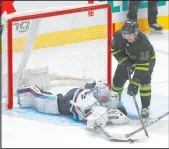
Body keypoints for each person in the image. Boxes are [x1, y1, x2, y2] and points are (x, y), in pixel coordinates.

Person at [16, 81, 129, 129]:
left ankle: (59, 96)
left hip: (79, 91)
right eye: (102, 96)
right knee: (51, 106)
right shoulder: (90, 101)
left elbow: (119, 105)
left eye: (106, 95)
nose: (105, 97)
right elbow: (87, 119)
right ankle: (35, 91)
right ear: (97, 95)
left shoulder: (113, 95)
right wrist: (101, 119)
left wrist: (122, 110)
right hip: (71, 100)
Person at [111, 20, 156, 119]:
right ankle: (114, 103)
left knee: (144, 82)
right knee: (118, 80)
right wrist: (125, 62)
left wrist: (135, 84)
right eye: (127, 35)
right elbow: (115, 50)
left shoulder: (143, 43)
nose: (129, 38)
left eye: (132, 35)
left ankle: (145, 107)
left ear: (137, 33)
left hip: (146, 61)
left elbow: (142, 67)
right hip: (129, 58)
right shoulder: (118, 36)